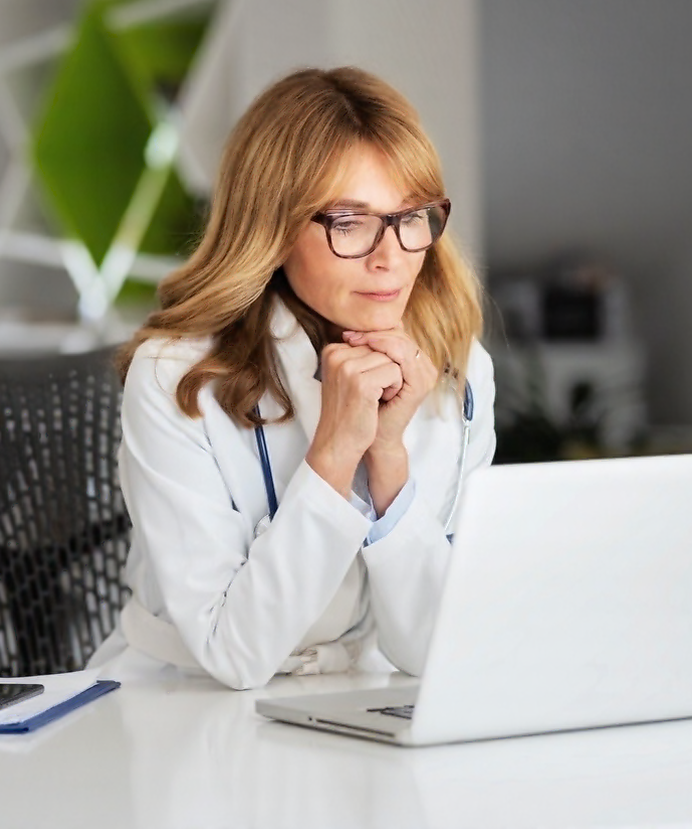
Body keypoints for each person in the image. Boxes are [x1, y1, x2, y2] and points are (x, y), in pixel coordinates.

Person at [105, 67, 496, 690]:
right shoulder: (174, 375)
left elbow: (434, 649)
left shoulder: (458, 365)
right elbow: (234, 655)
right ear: (274, 227)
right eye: (349, 222)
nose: (390, 256)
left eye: (412, 215)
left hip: (360, 700)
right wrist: (337, 451)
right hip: (182, 706)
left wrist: (388, 458)